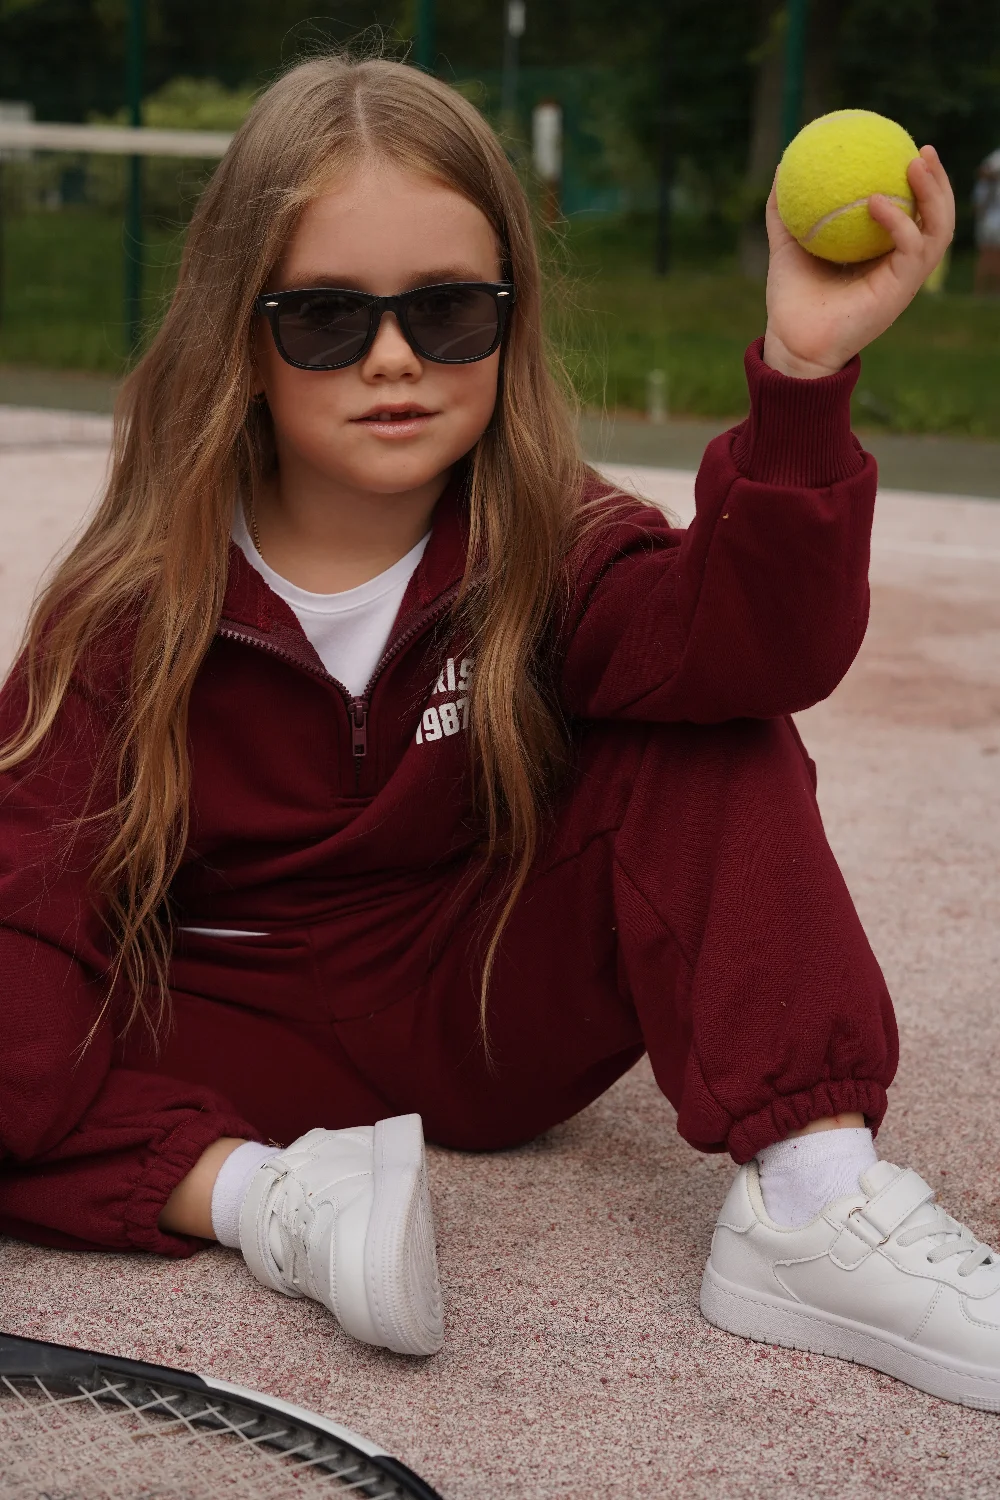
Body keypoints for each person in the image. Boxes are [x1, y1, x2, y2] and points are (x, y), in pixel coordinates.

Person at [1, 55, 995, 1407]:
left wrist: (805, 374)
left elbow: (761, 647)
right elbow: (26, 897)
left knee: (706, 719)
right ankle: (267, 1200)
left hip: (491, 1013)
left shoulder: (552, 544)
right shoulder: (133, 610)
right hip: (231, 1029)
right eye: (326, 318)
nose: (394, 358)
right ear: (240, 335)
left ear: (509, 320)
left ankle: (814, 1199)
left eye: (448, 310)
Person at [973, 147, 1000, 296]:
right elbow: (983, 171)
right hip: (990, 216)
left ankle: (994, 292)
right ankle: (980, 291)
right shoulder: (997, 157)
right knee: (986, 254)